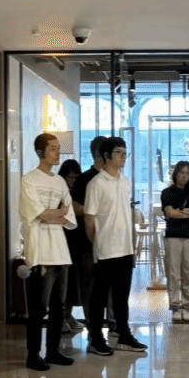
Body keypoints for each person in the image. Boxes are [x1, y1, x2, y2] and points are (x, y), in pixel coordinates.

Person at [83, 136, 148, 356]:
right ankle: (95, 338)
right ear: (106, 156)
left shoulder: (125, 181)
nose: (123, 157)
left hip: (125, 247)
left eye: (124, 153)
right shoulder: (96, 184)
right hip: (105, 248)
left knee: (121, 297)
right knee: (99, 297)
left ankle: (124, 336)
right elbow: (89, 218)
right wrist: (97, 242)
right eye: (118, 153)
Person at [19, 134, 78, 370]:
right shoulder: (29, 180)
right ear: (40, 152)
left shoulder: (60, 182)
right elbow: (38, 214)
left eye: (58, 148)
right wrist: (57, 213)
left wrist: (53, 214)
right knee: (38, 308)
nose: (57, 153)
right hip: (40, 250)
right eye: (53, 148)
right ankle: (33, 354)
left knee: (58, 306)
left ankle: (53, 351)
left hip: (61, 251)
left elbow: (69, 215)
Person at [70, 136, 117, 333]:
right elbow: (74, 207)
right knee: (89, 283)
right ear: (101, 154)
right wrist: (93, 210)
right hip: (87, 241)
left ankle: (113, 320)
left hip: (112, 240)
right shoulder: (84, 179)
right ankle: (92, 322)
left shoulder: (115, 179)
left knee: (113, 282)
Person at [162, 160, 189, 323]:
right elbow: (169, 213)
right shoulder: (167, 192)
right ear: (176, 174)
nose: (184, 176)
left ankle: (187, 307)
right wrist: (186, 212)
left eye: (187, 173)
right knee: (173, 273)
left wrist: (179, 211)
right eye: (181, 173)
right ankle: (175, 307)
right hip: (172, 235)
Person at [56, 159, 84, 332]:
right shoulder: (59, 192)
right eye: (70, 178)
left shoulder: (78, 192)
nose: (72, 181)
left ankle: (68, 314)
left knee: (74, 283)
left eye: (75, 178)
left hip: (76, 241)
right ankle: (61, 318)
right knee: (63, 284)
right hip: (62, 241)